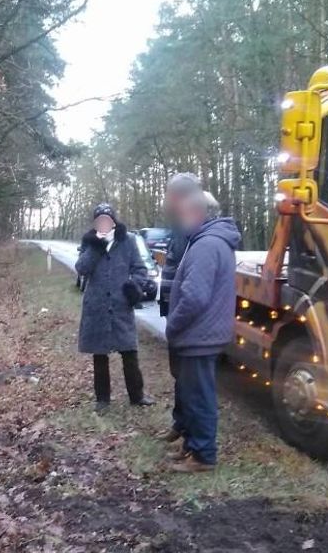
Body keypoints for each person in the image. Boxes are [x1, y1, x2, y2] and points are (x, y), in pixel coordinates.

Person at [165, 190, 241, 473]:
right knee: (193, 393)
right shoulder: (210, 241)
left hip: (199, 335)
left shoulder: (206, 245)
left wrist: (173, 324)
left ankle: (203, 455)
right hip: (202, 334)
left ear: (197, 213)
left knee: (199, 397)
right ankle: (192, 447)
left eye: (184, 213)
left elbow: (195, 296)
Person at [75, 203, 156, 413]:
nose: (103, 223)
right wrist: (97, 246)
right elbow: (82, 268)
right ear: (95, 223)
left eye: (107, 219)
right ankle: (102, 400)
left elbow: (140, 269)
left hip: (121, 305)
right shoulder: (89, 242)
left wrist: (134, 286)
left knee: (129, 351)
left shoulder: (127, 240)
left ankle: (137, 396)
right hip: (96, 306)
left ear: (113, 221)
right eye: (99, 220)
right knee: (99, 355)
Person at [155, 172, 202, 444]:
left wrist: (180, 312)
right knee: (178, 373)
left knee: (189, 376)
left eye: (172, 195)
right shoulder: (178, 227)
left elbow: (192, 278)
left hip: (185, 312)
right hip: (172, 306)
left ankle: (192, 436)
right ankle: (180, 424)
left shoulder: (195, 228)